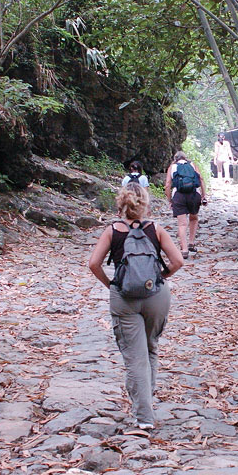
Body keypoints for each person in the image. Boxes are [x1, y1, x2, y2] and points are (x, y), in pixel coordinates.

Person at [88, 183, 183, 430]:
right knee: (151, 348)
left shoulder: (112, 231)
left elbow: (94, 264)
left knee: (135, 357)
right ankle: (146, 402)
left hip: (124, 297)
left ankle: (144, 417)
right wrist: (160, 277)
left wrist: (111, 284)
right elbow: (178, 261)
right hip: (156, 295)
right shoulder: (156, 229)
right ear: (145, 205)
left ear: (121, 204)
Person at [165, 150, 207, 259]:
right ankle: (191, 242)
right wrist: (203, 195)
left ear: (175, 159)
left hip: (179, 195)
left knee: (182, 224)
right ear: (185, 157)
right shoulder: (192, 165)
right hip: (194, 194)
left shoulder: (172, 167)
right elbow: (201, 178)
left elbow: (168, 185)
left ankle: (184, 249)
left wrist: (170, 200)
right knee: (193, 218)